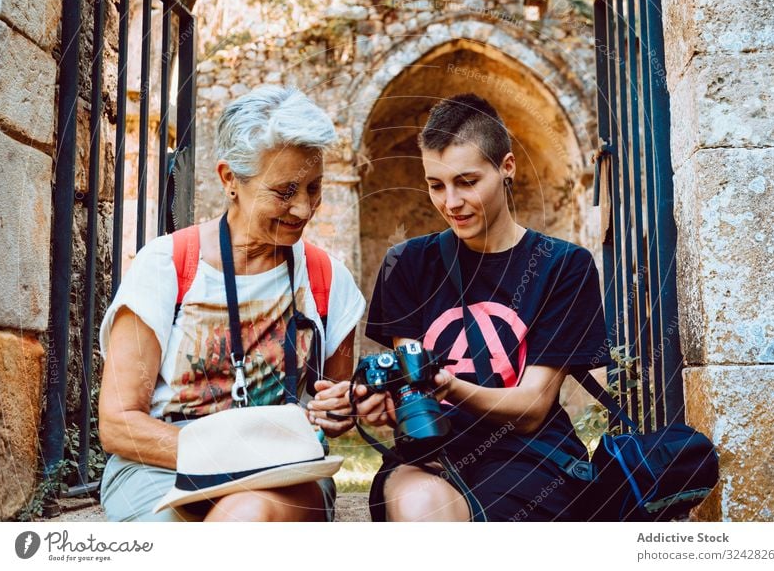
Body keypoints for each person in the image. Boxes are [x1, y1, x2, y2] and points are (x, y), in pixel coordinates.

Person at [98, 86, 366, 522]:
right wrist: (232, 455)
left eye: (314, 188)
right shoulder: (167, 267)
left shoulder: (328, 281)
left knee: (246, 513)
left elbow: (334, 410)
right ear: (229, 180)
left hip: (282, 472)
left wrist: (340, 409)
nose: (303, 209)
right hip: (163, 465)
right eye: (284, 191)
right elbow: (119, 424)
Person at [360, 93, 610, 521]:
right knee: (421, 507)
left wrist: (447, 386)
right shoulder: (407, 264)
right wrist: (383, 402)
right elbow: (412, 388)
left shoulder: (563, 266)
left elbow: (532, 409)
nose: (450, 202)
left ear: (506, 167)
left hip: (531, 456)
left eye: (467, 181)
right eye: (436, 185)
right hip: (430, 449)